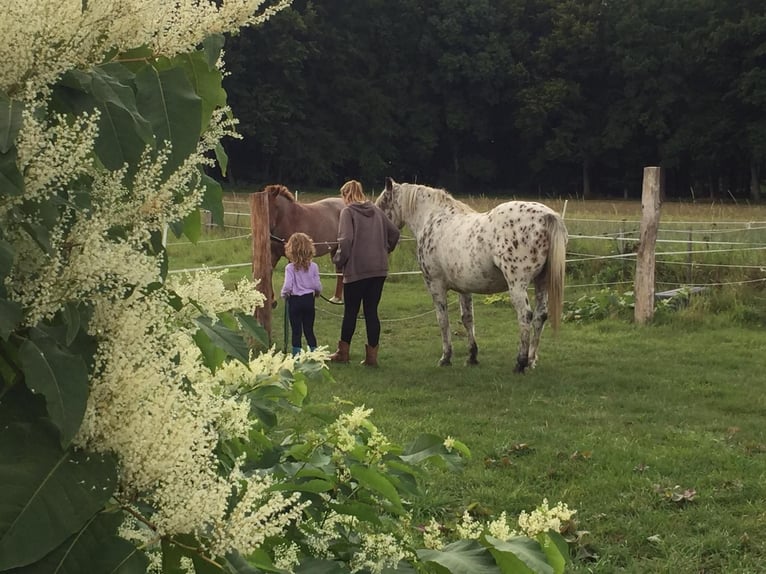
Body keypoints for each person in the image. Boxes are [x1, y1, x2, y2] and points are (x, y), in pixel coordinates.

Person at [329, 180, 400, 366]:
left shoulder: (348, 212)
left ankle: (343, 353)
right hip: (378, 269)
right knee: (371, 311)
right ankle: (371, 357)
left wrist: (338, 260)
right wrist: (385, 249)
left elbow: (345, 241)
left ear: (346, 195)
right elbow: (394, 233)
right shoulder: (376, 210)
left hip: (356, 270)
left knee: (350, 311)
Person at [280, 232, 322, 356]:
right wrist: (318, 292)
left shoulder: (290, 268)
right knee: (309, 329)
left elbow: (288, 285)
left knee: (296, 330)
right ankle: (315, 354)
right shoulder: (314, 267)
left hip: (295, 301)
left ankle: (296, 355)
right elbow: (317, 284)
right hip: (309, 300)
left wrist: (284, 294)